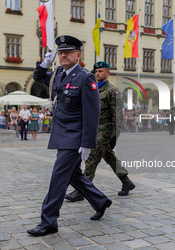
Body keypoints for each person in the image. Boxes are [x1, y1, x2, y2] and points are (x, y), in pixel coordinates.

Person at [27, 35, 112, 237]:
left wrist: (87, 143)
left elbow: (92, 112)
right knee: (74, 175)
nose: (63, 55)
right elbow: (39, 78)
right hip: (61, 134)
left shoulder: (85, 77)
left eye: (68, 52)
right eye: (60, 52)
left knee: (58, 178)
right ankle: (100, 201)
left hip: (75, 137)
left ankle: (48, 222)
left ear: (77, 55)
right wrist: (43, 64)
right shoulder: (58, 74)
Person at [65, 61, 135, 202]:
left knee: (91, 159)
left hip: (104, 130)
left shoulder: (112, 91)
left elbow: (118, 114)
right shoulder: (92, 88)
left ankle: (81, 190)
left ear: (107, 73)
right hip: (92, 129)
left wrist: (115, 134)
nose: (97, 74)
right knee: (110, 158)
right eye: (96, 71)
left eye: (100, 71)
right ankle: (126, 181)